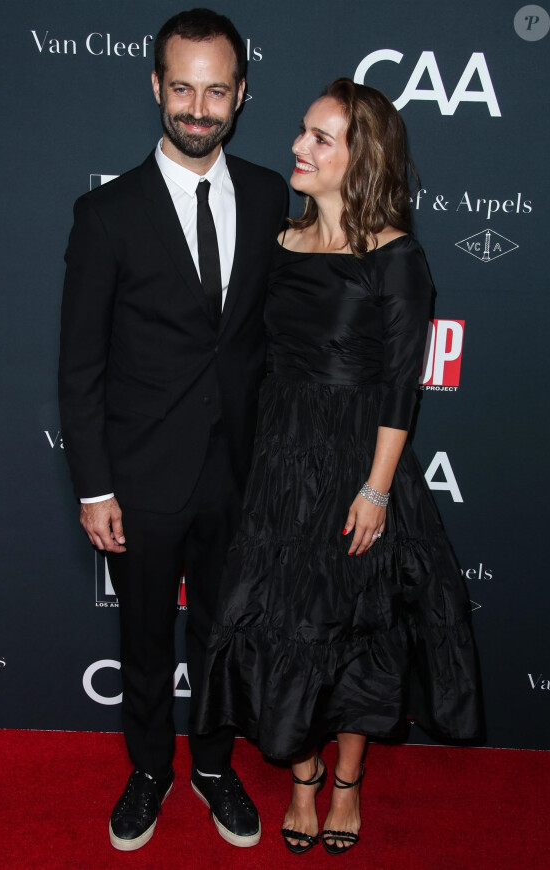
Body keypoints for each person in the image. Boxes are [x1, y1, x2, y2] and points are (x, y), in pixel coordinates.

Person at [197, 79, 483, 855]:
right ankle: (302, 776)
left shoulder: (396, 256)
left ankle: (347, 783)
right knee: (285, 621)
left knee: (358, 625)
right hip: (279, 456)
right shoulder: (281, 242)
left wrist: (376, 489)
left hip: (359, 460)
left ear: (362, 159)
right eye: (303, 130)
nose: (299, 146)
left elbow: (400, 388)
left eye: (322, 138)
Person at [58, 8, 287, 852]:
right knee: (146, 634)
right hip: (142, 479)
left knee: (224, 635)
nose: (198, 107)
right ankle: (151, 769)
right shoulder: (106, 214)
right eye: (183, 87)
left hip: (241, 474)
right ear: (157, 86)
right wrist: (93, 484)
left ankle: (216, 766)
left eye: (216, 90)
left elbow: (278, 336)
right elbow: (78, 367)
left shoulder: (270, 197)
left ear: (240, 96)